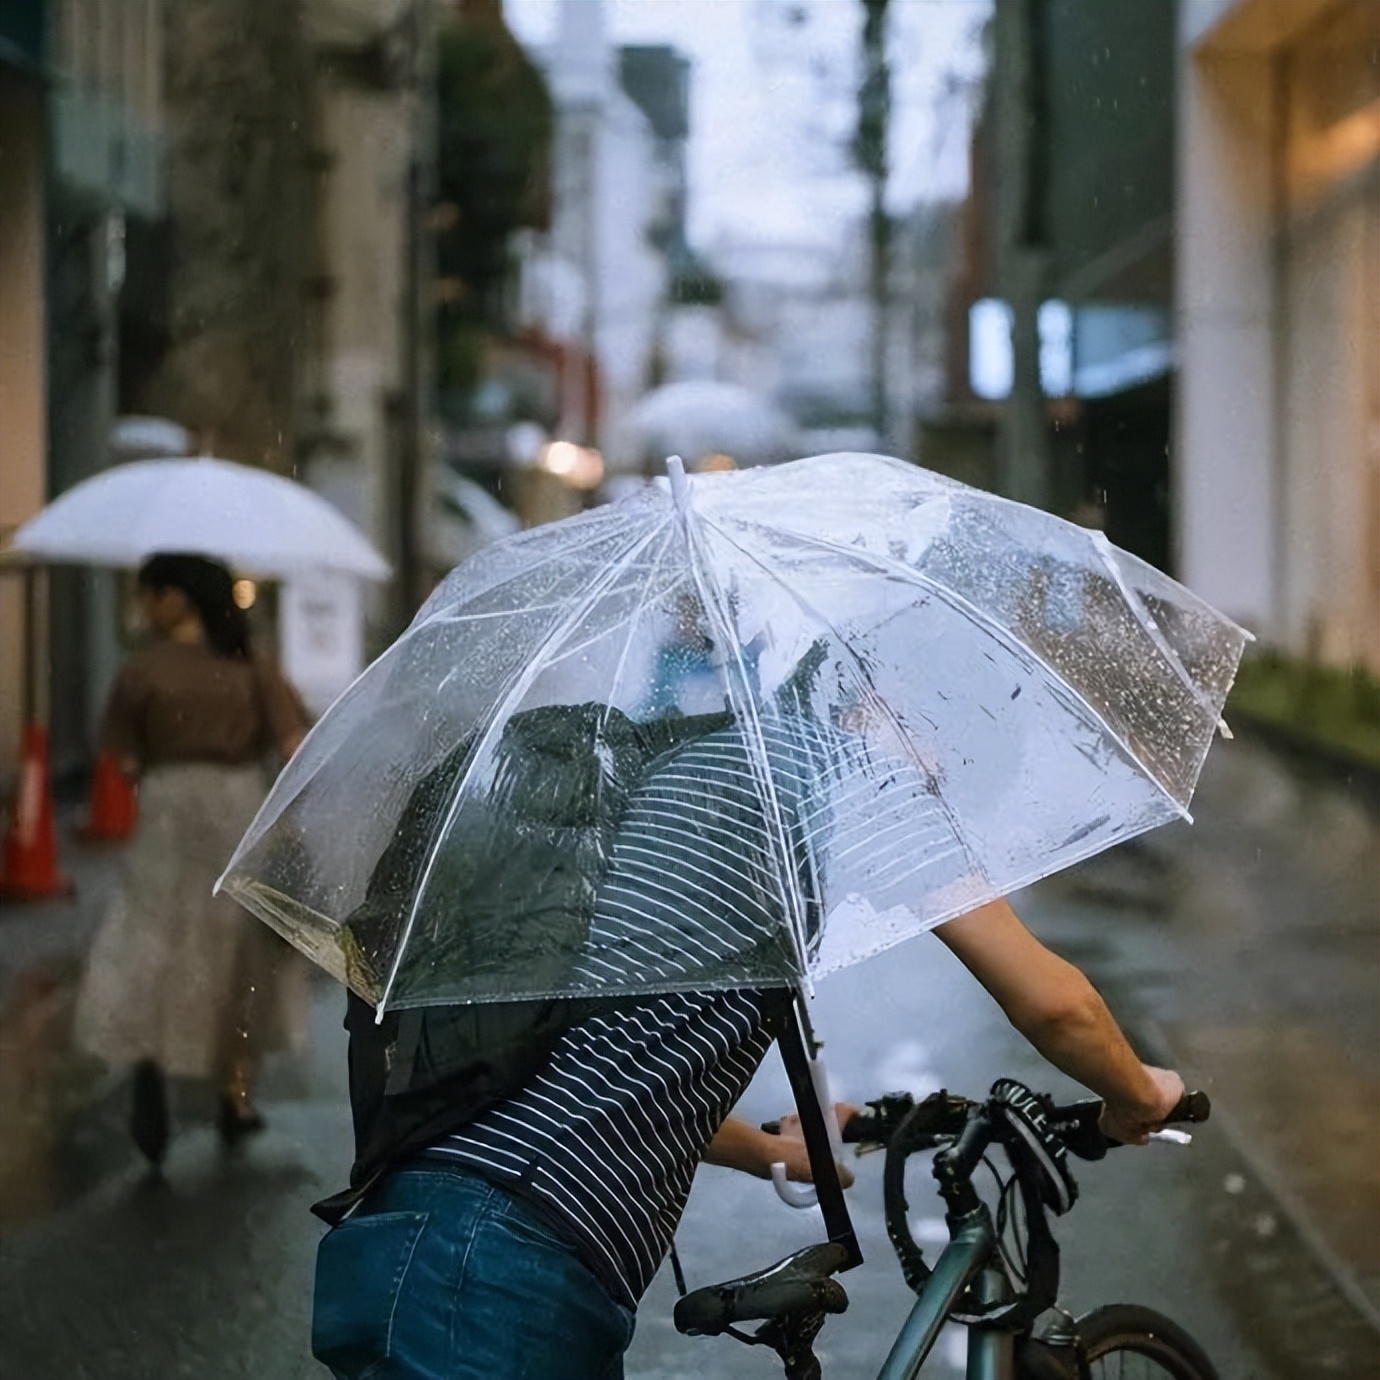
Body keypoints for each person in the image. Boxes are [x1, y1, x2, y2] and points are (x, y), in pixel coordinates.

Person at [308, 710, 1184, 1380]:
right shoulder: (838, 766)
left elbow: (597, 1059)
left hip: (441, 1233)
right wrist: (1140, 1094)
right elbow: (1054, 1004)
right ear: (873, 700)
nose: (943, 780)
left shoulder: (698, 769)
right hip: (495, 1271)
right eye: (945, 752)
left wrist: (761, 1147)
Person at [73, 552, 311, 1165]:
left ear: (176, 597)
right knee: (238, 950)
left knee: (153, 937)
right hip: (237, 808)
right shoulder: (251, 663)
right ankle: (236, 1094)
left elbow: (120, 760)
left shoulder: (140, 670)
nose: (144, 605)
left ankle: (153, 1062)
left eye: (151, 592)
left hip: (167, 812)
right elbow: (294, 743)